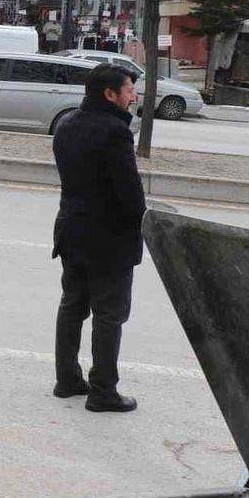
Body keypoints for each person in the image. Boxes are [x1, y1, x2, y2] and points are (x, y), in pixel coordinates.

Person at [51, 63, 146, 413]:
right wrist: (142, 222)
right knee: (109, 314)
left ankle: (67, 379)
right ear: (109, 94)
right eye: (129, 91)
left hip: (71, 230)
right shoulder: (115, 132)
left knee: (72, 305)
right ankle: (103, 391)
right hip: (109, 240)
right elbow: (130, 194)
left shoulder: (66, 123)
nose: (133, 97)